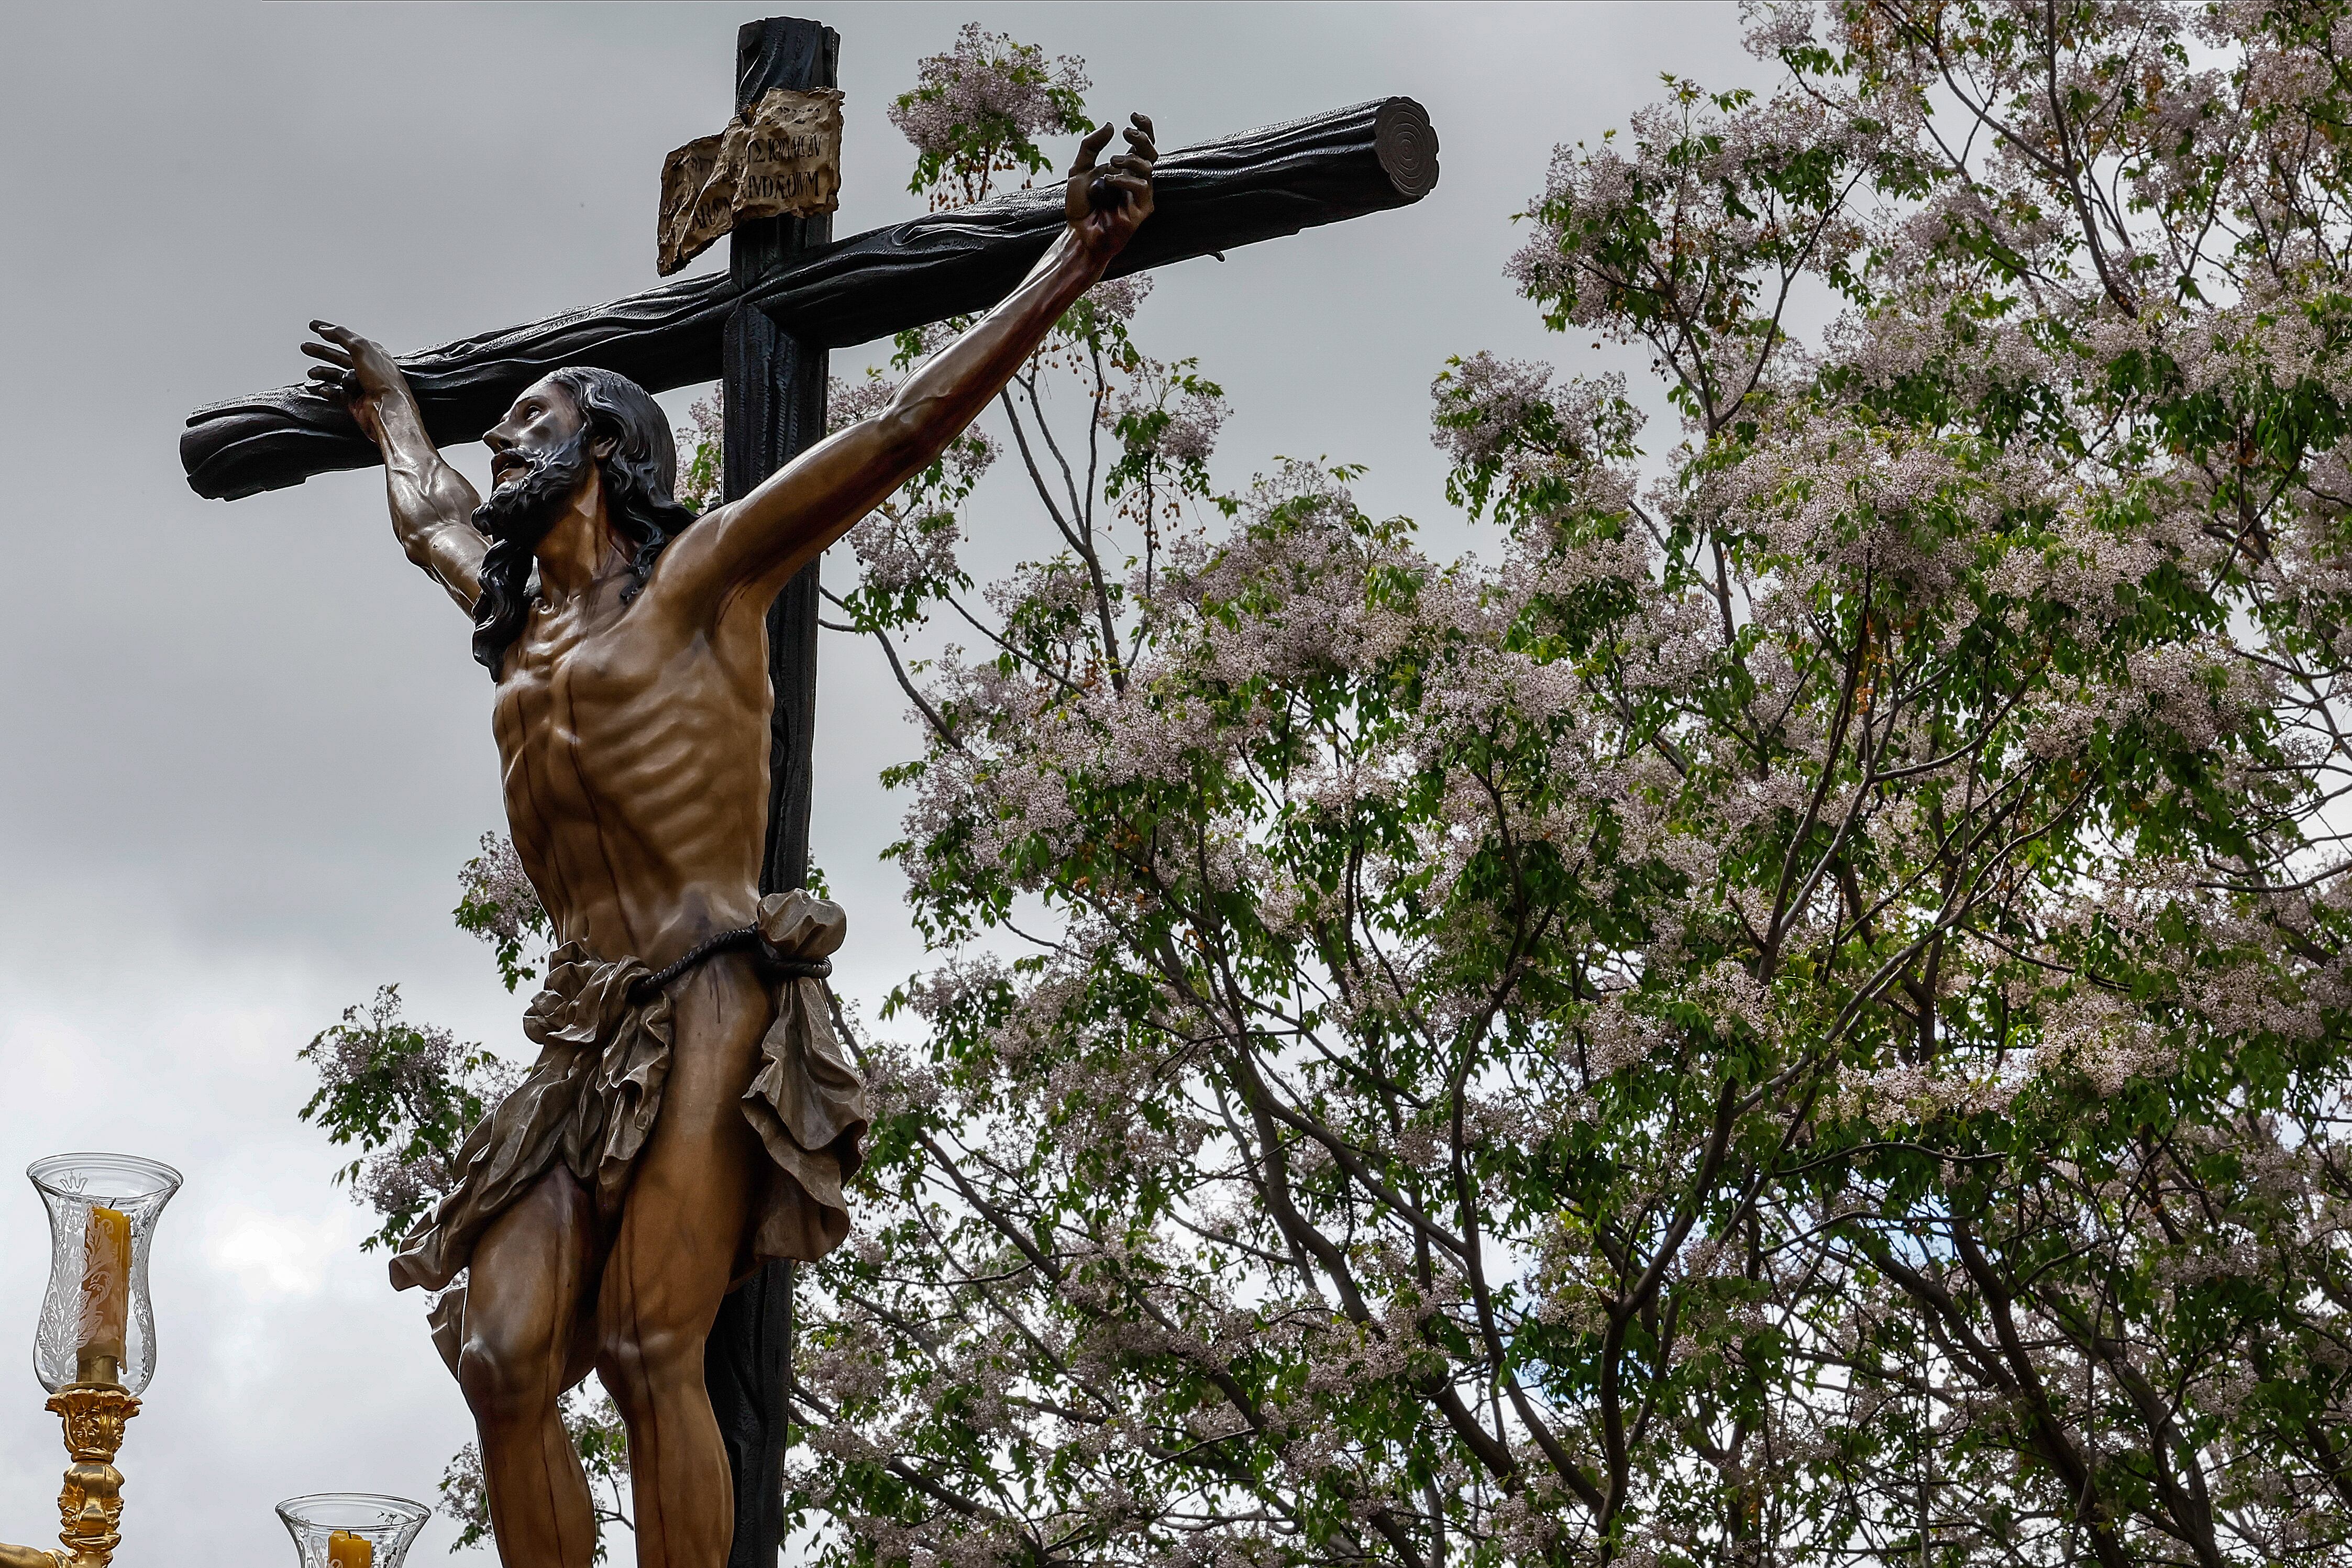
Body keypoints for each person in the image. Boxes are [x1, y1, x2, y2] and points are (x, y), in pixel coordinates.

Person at [297, 116, 1158, 1568]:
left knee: (646, 1345)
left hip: (707, 988)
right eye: (500, 421)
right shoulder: (515, 621)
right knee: (502, 1358)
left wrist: (1067, 263)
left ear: (610, 449)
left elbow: (896, 436)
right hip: (581, 1026)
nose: (502, 434)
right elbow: (428, 513)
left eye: (535, 417)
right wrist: (393, 410)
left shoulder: (700, 583)